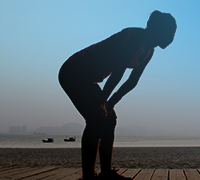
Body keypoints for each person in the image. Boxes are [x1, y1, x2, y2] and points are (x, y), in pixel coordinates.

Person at [58, 10, 176, 180]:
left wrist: (110, 103)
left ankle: (106, 174)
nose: (172, 37)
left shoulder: (149, 50)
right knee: (96, 119)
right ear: (158, 29)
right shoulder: (136, 36)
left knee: (109, 118)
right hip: (74, 70)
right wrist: (102, 101)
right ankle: (88, 177)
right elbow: (118, 72)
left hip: (89, 79)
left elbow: (132, 81)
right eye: (170, 32)